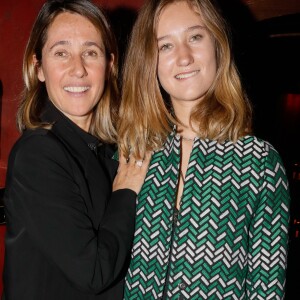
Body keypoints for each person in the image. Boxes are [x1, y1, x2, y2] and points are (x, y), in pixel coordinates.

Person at [117, 0, 291, 299]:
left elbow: (267, 289)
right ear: (149, 61)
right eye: (165, 46)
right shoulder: (131, 152)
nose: (184, 57)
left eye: (195, 37)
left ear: (217, 46)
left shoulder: (260, 163)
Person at [3, 0, 151, 299]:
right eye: (61, 53)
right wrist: (126, 192)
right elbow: (93, 272)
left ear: (109, 66)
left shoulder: (108, 150)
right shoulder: (37, 154)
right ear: (39, 68)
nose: (78, 69)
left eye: (90, 52)